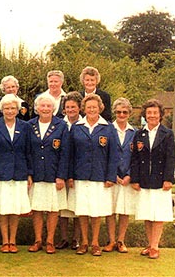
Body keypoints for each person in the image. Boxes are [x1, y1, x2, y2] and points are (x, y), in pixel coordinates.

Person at [68, 94, 118, 256]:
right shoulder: (77, 127)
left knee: (96, 211)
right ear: (84, 109)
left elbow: (114, 154)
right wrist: (69, 175)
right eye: (88, 107)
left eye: (94, 107)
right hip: (80, 175)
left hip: (100, 176)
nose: (91, 110)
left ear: (100, 108)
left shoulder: (108, 127)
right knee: (82, 210)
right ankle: (84, 242)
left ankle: (95, 243)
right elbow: (70, 154)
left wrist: (111, 176)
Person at [0, 94, 32, 254]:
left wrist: (30, 174)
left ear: (18, 110)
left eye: (12, 108)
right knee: (3, 209)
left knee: (15, 209)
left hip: (19, 172)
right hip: (0, 172)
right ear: (1, 109)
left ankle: (13, 241)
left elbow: (28, 152)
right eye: (6, 108)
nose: (9, 111)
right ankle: (5, 241)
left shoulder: (25, 127)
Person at [130, 99, 175, 259]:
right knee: (147, 214)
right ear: (145, 115)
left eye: (155, 112)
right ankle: (149, 245)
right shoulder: (139, 134)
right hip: (143, 180)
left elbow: (171, 158)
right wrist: (134, 179)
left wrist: (168, 179)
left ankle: (155, 246)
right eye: (149, 113)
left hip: (161, 181)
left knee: (158, 215)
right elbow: (134, 158)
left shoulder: (167, 134)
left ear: (160, 114)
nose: (152, 115)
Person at [27, 93, 69, 254]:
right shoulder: (29, 125)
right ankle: (38, 240)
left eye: (48, 106)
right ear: (37, 108)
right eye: (42, 106)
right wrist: (29, 174)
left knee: (53, 209)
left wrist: (61, 176)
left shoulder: (61, 126)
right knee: (36, 209)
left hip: (54, 174)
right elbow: (27, 151)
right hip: (36, 174)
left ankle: (50, 241)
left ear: (54, 108)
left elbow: (65, 153)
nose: (45, 108)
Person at [102, 98, 136, 254]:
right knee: (110, 210)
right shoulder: (107, 130)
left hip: (127, 179)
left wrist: (129, 175)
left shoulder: (135, 132)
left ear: (129, 113)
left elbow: (137, 157)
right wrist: (112, 175)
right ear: (114, 112)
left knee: (124, 210)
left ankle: (121, 241)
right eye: (118, 112)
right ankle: (111, 240)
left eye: (125, 112)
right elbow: (103, 154)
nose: (121, 114)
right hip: (112, 178)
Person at [56, 91, 83, 250]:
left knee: (76, 207)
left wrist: (72, 174)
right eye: (67, 107)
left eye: (73, 106)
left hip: (78, 172)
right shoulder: (59, 124)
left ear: (79, 108)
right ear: (64, 109)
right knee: (62, 208)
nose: (71, 109)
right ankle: (64, 238)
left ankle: (76, 239)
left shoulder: (83, 125)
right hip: (61, 170)